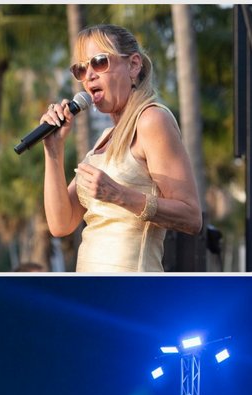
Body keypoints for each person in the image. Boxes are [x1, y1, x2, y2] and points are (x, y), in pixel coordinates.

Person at [38, 24, 202, 272]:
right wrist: (53, 149)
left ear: (133, 65)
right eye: (80, 69)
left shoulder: (151, 120)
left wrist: (120, 195)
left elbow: (191, 216)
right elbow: (61, 224)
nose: (89, 75)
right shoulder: (105, 139)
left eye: (99, 62)